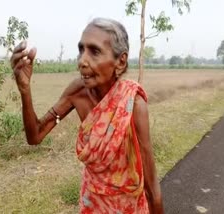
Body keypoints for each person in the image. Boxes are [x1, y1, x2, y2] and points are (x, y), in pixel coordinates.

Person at [10, 17, 164, 214]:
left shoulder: (133, 104)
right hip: (92, 203)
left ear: (120, 61)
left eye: (95, 51)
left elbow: (152, 189)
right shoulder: (77, 92)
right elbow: (35, 136)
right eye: (81, 50)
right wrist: (25, 90)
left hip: (127, 206)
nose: (82, 60)